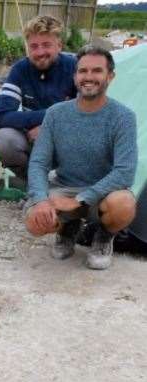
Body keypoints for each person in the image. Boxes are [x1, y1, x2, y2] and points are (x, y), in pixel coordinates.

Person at [26, 45, 137, 270]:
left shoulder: (123, 117)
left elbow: (125, 171)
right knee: (33, 222)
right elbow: (39, 162)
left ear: (110, 76)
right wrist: (40, 199)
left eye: (97, 71)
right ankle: (68, 228)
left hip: (103, 193)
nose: (88, 77)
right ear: (75, 76)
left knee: (124, 204)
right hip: (65, 186)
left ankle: (104, 236)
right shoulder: (56, 114)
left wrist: (81, 198)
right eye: (82, 71)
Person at [0, 15, 77, 180]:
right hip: (32, 138)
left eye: (46, 45)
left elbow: (86, 113)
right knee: (3, 140)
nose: (39, 52)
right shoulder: (20, 69)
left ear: (59, 45)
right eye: (34, 46)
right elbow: (1, 117)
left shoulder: (75, 67)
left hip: (68, 142)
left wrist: (48, 127)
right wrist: (55, 113)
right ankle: (33, 183)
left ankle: (67, 183)